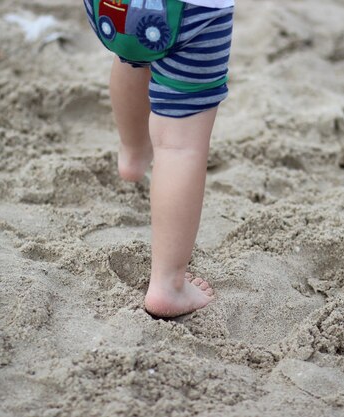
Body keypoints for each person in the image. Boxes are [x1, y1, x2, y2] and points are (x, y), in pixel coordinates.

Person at [83, 0, 235, 317]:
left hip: (114, 8)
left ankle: (133, 151)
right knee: (179, 145)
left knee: (131, 56)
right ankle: (168, 284)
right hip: (195, 11)